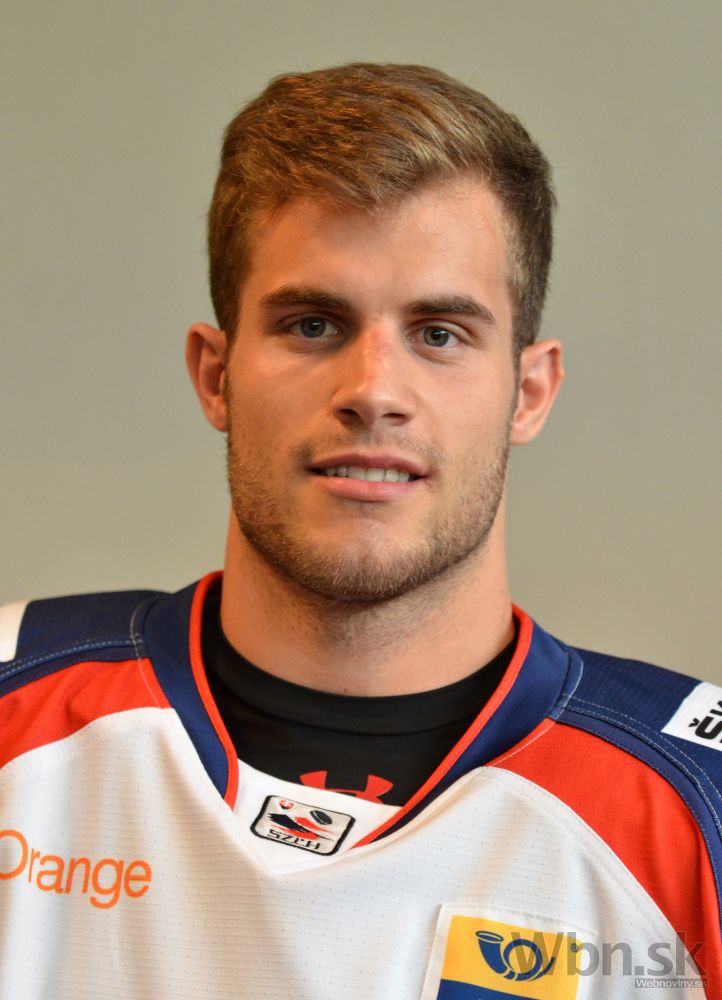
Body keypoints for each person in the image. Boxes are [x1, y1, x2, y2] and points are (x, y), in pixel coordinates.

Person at [0, 63, 719, 1000]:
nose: (374, 390)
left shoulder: (697, 807)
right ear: (216, 375)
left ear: (529, 391)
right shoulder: (17, 713)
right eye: (312, 325)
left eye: (440, 333)